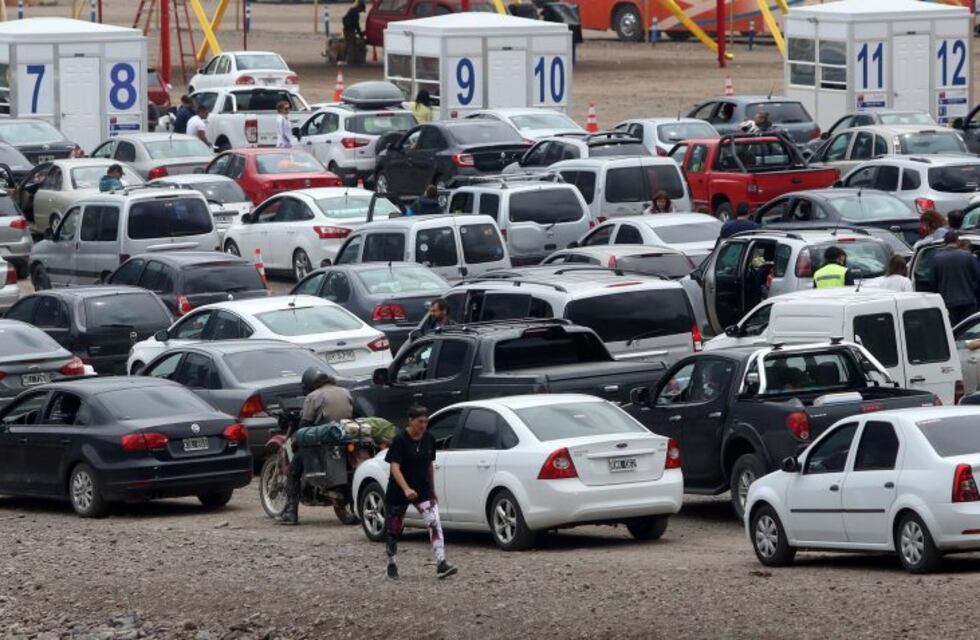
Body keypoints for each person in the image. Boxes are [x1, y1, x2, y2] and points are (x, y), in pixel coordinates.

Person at [383, 404, 457, 580]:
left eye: (426, 421)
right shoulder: (400, 440)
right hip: (399, 489)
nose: (423, 425)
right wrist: (406, 488)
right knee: (394, 528)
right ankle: (391, 562)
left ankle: (441, 563)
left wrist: (432, 489)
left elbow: (429, 464)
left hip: (423, 488)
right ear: (411, 421)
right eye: (420, 421)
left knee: (434, 523)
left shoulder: (429, 439)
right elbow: (394, 467)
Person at [276, 367, 354, 526]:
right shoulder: (345, 391)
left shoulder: (313, 396)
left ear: (309, 384)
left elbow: (305, 425)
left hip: (323, 441)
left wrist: (296, 439)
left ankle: (291, 513)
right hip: (345, 437)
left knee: (294, 470)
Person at [931, 230, 980, 325]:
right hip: (968, 301)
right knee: (968, 330)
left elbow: (933, 282)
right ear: (957, 241)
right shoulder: (967, 256)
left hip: (948, 302)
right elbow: (978, 277)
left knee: (953, 331)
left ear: (945, 242)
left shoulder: (937, 259)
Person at [343, 0, 366, 65]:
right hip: (349, 31)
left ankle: (347, 60)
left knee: (348, 44)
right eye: (362, 10)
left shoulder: (352, 11)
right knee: (351, 45)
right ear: (360, 7)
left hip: (347, 30)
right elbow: (356, 25)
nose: (361, 11)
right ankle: (350, 61)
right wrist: (360, 34)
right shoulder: (355, 13)